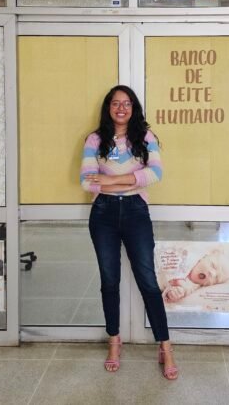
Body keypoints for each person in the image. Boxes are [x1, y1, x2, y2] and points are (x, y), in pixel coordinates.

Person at [80, 85, 177, 380]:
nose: (121, 108)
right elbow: (87, 181)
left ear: (133, 108)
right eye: (115, 103)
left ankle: (166, 347)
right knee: (109, 281)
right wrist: (133, 179)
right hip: (103, 214)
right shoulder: (95, 140)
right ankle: (114, 341)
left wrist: (112, 181)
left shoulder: (145, 137)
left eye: (127, 103)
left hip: (136, 212)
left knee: (148, 280)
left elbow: (156, 174)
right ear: (108, 107)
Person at [160, 247, 229, 303]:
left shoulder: (192, 286)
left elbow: (181, 290)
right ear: (205, 256)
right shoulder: (190, 255)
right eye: (213, 265)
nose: (212, 274)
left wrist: (175, 293)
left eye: (216, 278)